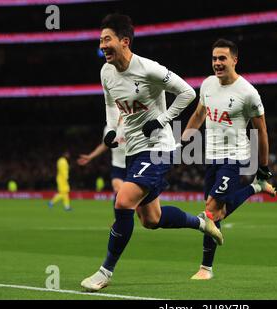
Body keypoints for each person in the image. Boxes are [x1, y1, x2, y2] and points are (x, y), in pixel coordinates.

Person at [81, 13, 222, 292]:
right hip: (134, 150)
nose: (102, 45)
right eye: (100, 40)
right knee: (151, 220)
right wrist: (110, 128)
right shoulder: (106, 72)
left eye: (107, 40)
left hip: (158, 147)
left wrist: (164, 119)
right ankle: (201, 222)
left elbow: (187, 93)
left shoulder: (148, 69)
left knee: (123, 201)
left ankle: (104, 272)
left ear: (125, 41)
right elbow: (110, 103)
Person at [182, 39, 276, 280]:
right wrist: (182, 140)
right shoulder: (207, 84)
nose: (217, 63)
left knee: (211, 211)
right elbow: (199, 114)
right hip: (211, 157)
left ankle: (205, 268)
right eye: (214, 58)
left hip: (234, 157)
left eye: (222, 58)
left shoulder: (248, 93)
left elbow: (261, 132)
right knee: (214, 212)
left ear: (235, 60)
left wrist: (263, 166)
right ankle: (206, 268)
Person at [78, 117, 126, 195]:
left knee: (135, 199)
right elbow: (104, 145)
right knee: (119, 191)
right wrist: (90, 156)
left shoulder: (129, 123)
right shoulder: (108, 128)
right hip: (117, 166)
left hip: (133, 164)